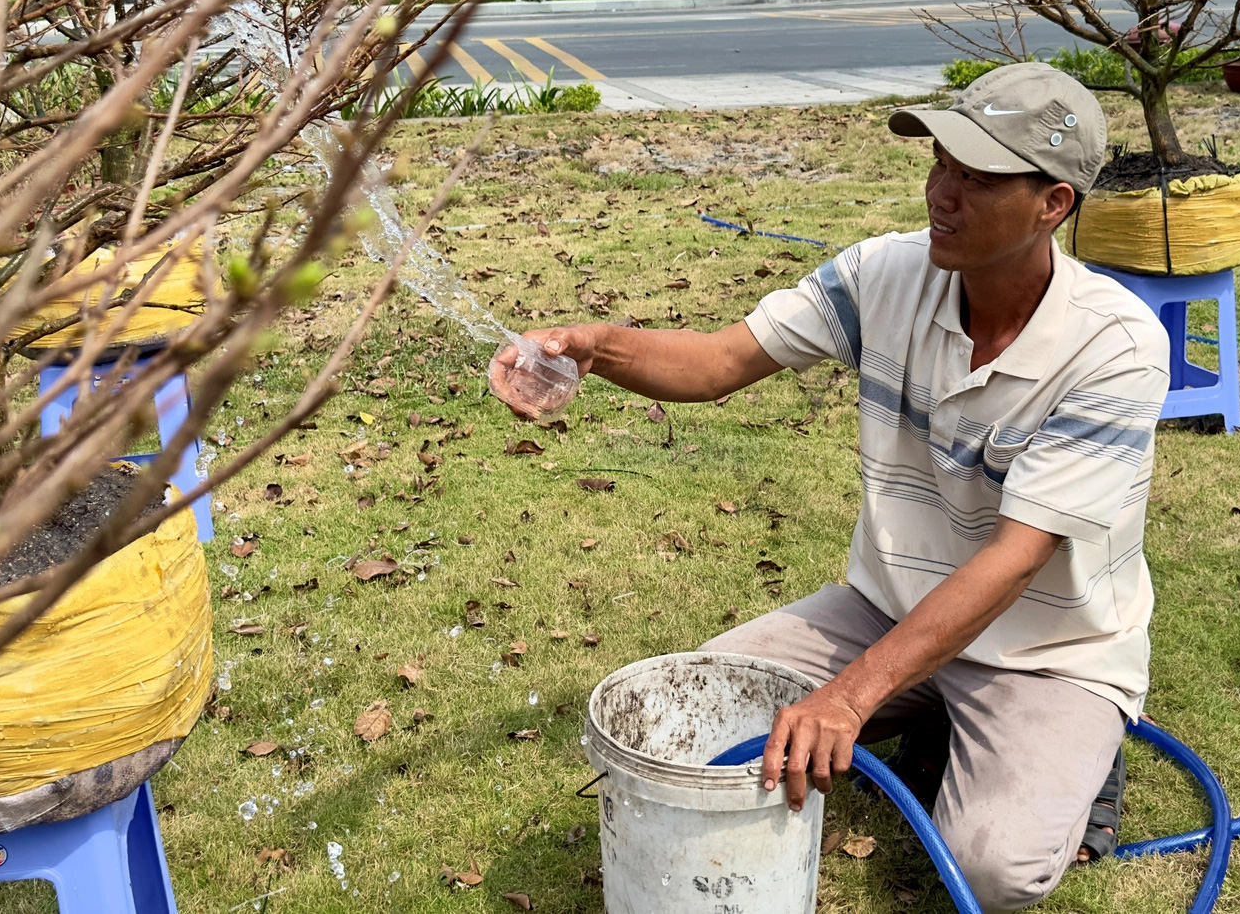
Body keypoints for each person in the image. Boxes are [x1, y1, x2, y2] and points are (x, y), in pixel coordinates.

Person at [493, 63, 1168, 911]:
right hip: (887, 609)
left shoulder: (1115, 349)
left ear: (1053, 205)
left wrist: (849, 698)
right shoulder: (885, 275)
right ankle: (927, 716)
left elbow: (1014, 560)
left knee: (994, 871)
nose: (942, 195)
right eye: (941, 166)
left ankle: (1077, 753)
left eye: (978, 179)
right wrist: (596, 345)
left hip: (1045, 654)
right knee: (686, 717)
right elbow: (719, 362)